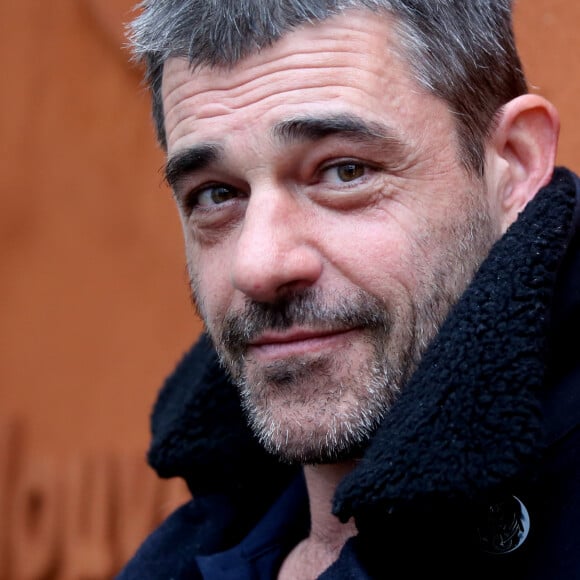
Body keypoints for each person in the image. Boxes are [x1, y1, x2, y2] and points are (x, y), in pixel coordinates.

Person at [118, 1, 580, 578]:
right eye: (216, 195)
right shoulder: (183, 555)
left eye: (344, 171)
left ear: (514, 163)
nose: (258, 266)